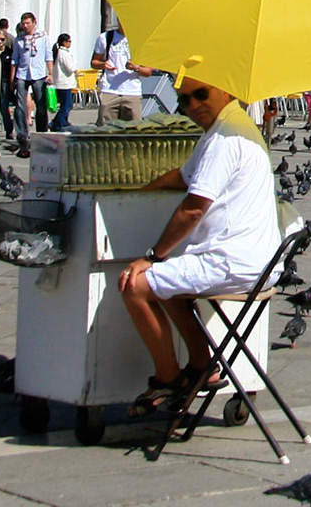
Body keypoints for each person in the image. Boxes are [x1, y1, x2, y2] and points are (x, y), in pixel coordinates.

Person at [118, 75, 282, 417]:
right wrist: (140, 190)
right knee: (169, 285)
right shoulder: (231, 127)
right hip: (256, 260)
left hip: (232, 262)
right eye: (183, 101)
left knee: (134, 286)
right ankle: (202, 366)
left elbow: (193, 209)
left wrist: (151, 257)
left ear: (224, 88)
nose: (192, 106)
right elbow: (183, 175)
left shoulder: (224, 138)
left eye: (200, 94)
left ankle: (167, 378)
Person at [92, 24, 153, 124]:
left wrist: (136, 67)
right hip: (110, 91)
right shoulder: (105, 37)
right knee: (105, 129)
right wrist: (103, 64)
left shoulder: (140, 40)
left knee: (134, 129)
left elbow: (148, 72)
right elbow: (94, 62)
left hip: (132, 92)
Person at [9, 12, 50, 152]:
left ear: (34, 22)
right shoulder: (19, 39)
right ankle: (22, 135)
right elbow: (14, 59)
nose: (25, 26)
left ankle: (41, 133)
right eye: (23, 23)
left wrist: (50, 73)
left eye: (28, 23)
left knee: (40, 104)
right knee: (20, 105)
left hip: (38, 73)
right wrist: (12, 78)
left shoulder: (43, 37)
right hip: (22, 73)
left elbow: (48, 55)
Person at [47, 32, 77, 131]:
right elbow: (70, 68)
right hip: (65, 83)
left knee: (65, 104)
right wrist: (75, 67)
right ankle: (59, 124)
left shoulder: (58, 52)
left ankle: (56, 122)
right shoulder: (64, 53)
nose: (70, 43)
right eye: (69, 41)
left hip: (60, 82)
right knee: (66, 105)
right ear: (64, 42)